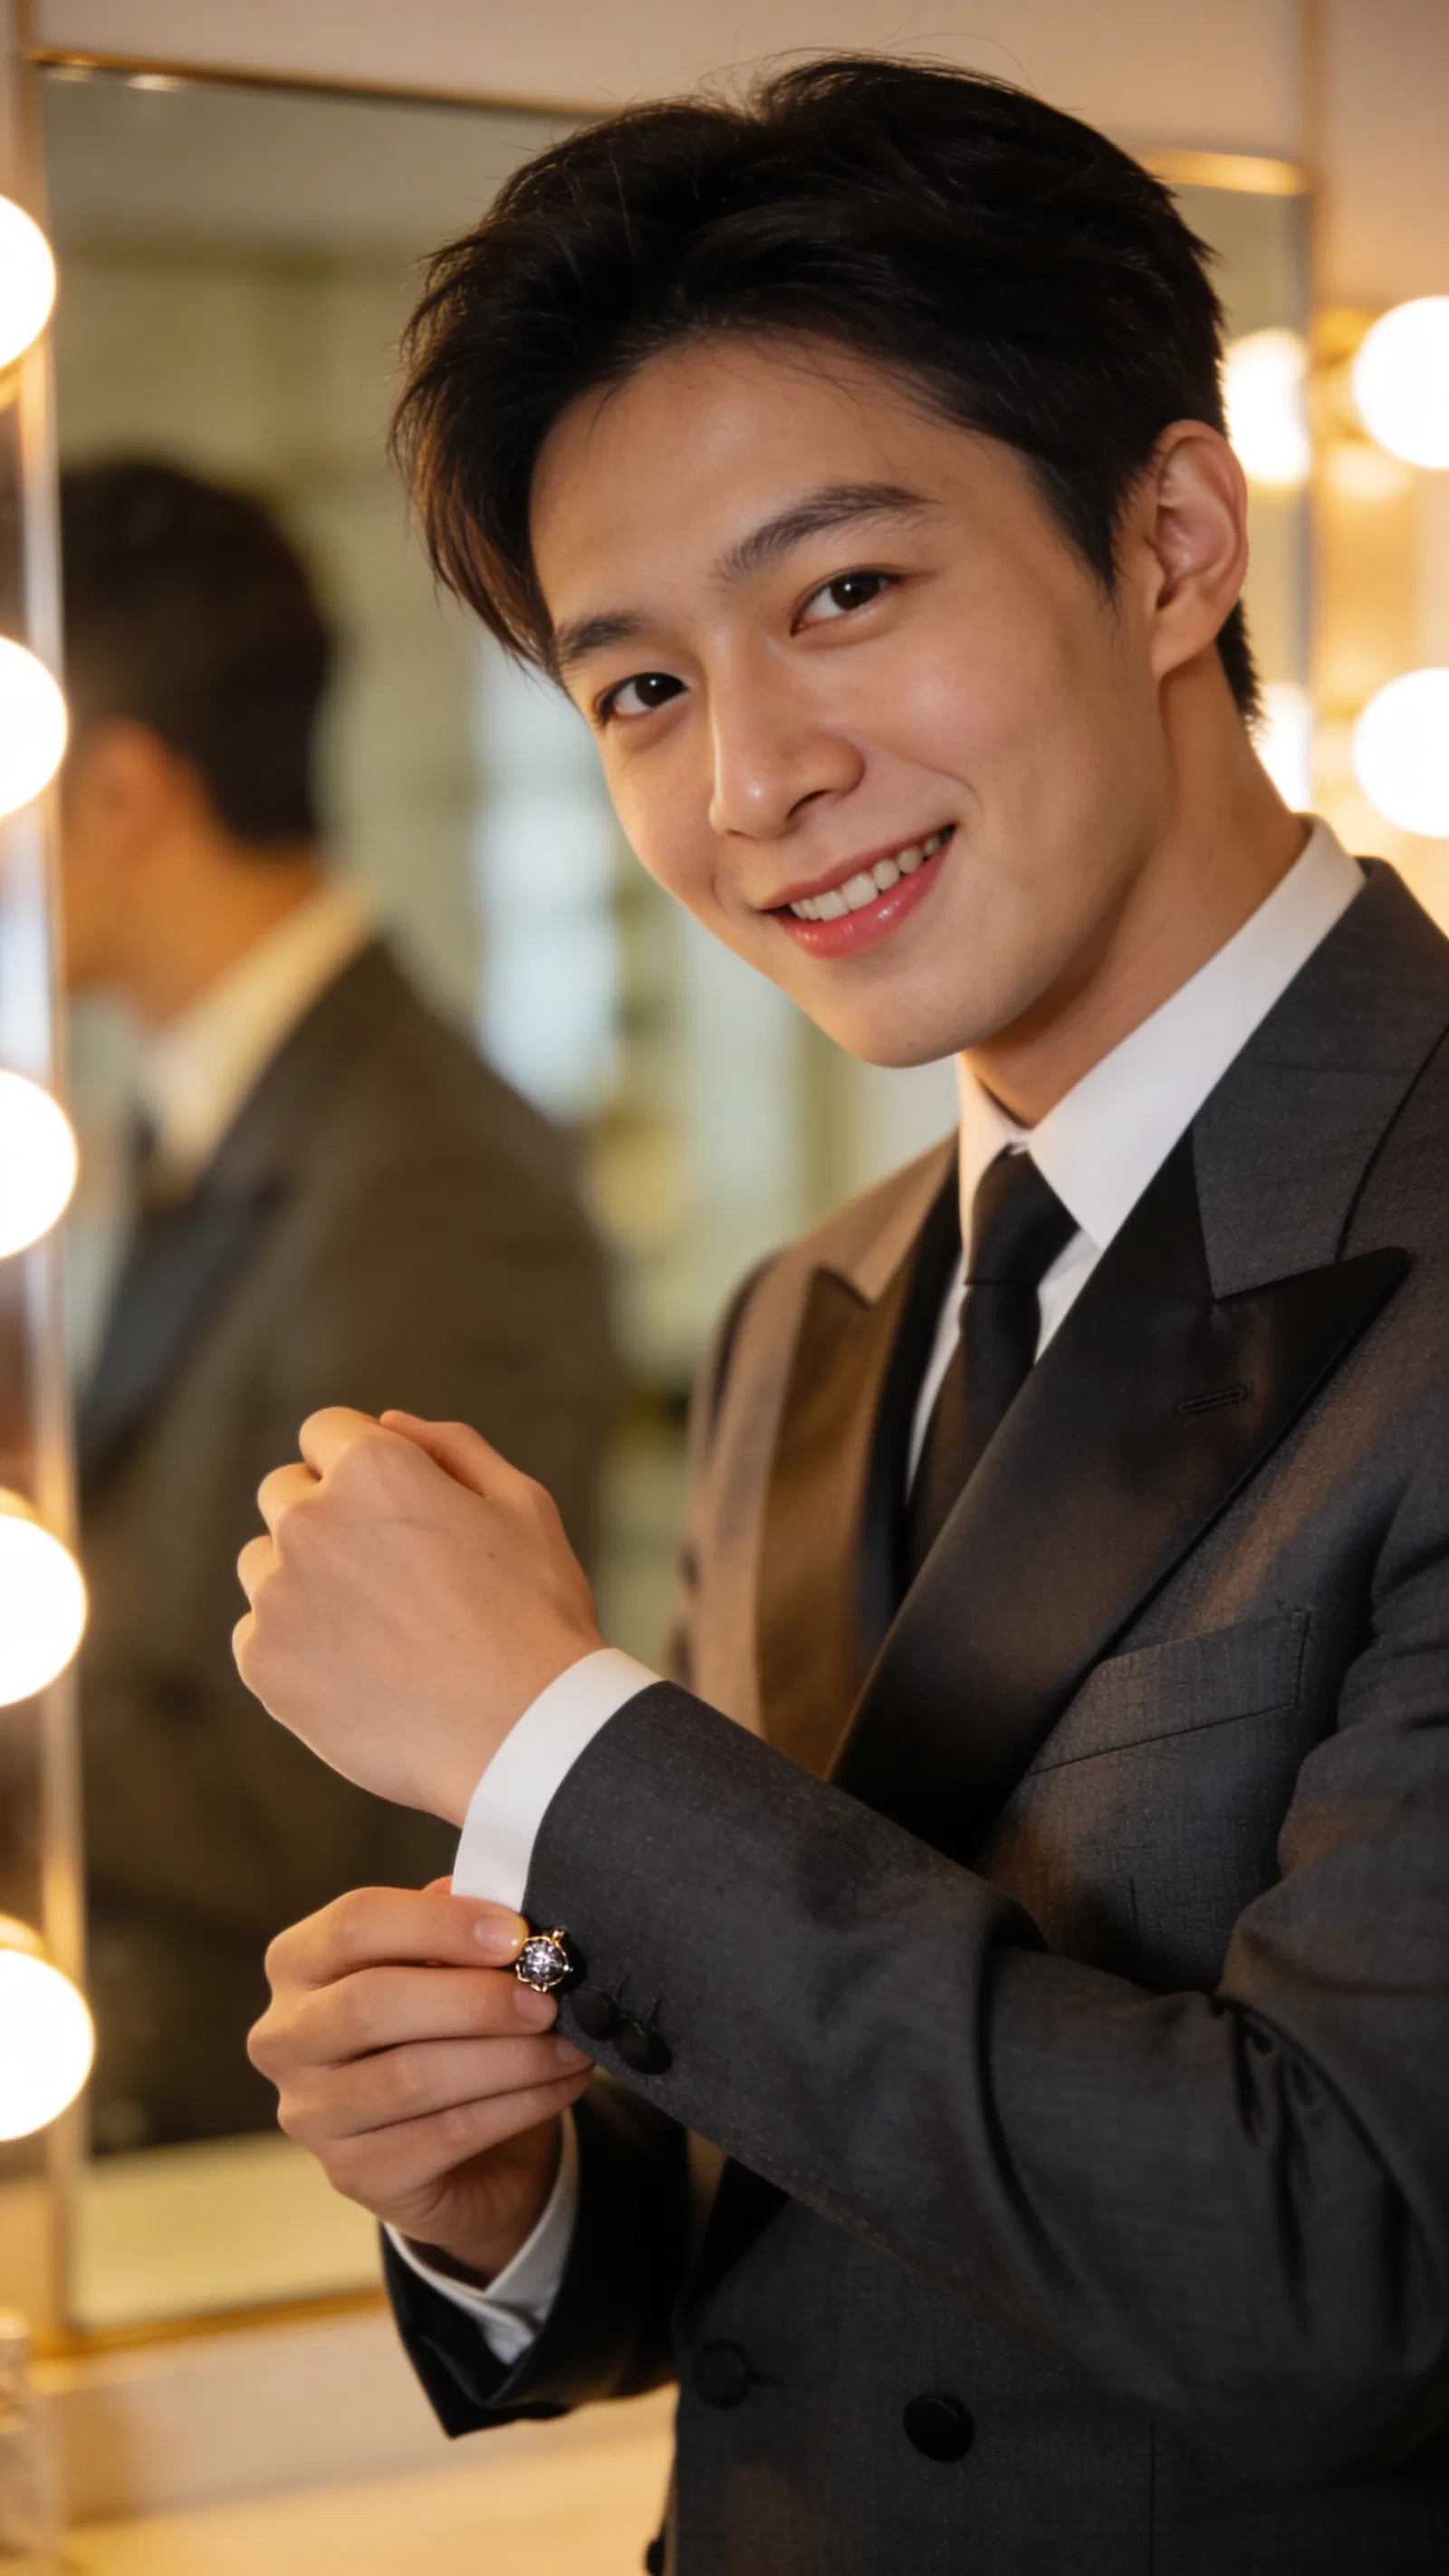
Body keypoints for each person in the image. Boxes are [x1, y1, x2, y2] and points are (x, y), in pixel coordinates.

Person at [239, 61, 1449, 2574]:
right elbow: (833, 2199)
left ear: (1173, 546)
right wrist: (508, 2189)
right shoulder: (827, 1308)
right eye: (641, 689)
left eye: (843, 595)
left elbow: (1356, 2275)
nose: (756, 779)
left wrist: (553, 1739)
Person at [62, 457, 616, 2149]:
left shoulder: (425, 1182)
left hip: (265, 2157)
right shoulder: (201, 1121)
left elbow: (342, 1788)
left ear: (120, 790)